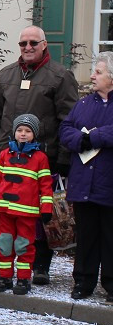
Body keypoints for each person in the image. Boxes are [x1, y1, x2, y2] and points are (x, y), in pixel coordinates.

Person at [0, 26, 79, 285]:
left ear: (44, 44)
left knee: (39, 216)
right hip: (8, 157)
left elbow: (68, 119)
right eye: (23, 43)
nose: (27, 47)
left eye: (33, 42)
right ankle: (0, 260)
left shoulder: (60, 76)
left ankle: (41, 265)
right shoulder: (6, 74)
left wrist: (65, 157)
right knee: (4, 211)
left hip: (43, 159)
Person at [59, 52, 113, 303]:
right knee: (87, 236)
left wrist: (95, 136)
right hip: (83, 183)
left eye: (98, 72)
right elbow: (65, 129)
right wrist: (80, 139)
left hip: (108, 183)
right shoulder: (83, 104)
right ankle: (83, 281)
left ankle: (111, 285)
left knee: (110, 237)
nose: (92, 76)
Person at [0, 114, 53, 296]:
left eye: (27, 131)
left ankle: (23, 279)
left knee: (24, 246)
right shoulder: (5, 155)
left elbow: (46, 186)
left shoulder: (40, 158)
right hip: (5, 210)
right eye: (20, 130)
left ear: (34, 134)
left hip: (27, 213)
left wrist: (46, 209)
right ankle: (4, 277)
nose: (23, 134)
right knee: (4, 244)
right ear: (14, 132)